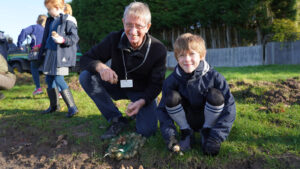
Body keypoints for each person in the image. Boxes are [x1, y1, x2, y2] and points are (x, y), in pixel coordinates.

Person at [79, 2, 167, 139]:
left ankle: (139, 112)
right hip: (117, 84)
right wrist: (100, 67)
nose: (133, 32)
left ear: (148, 27)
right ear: (123, 22)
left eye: (139, 26)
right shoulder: (114, 38)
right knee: (86, 77)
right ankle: (116, 118)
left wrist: (143, 101)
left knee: (147, 131)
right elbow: (85, 59)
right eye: (129, 25)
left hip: (141, 92)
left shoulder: (158, 49)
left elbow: (156, 84)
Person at [156, 33, 236, 156]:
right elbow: (162, 110)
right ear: (177, 58)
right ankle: (186, 132)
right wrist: (170, 136)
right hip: (186, 118)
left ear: (202, 55)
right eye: (182, 55)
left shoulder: (215, 77)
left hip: (208, 117)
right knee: (171, 97)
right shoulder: (171, 80)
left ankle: (207, 132)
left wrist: (216, 137)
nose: (187, 59)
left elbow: (230, 108)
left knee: (216, 95)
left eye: (192, 54)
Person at [38, 0, 79, 117]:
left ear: (57, 7)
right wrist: (41, 52)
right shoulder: (50, 20)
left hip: (61, 54)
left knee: (58, 78)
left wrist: (62, 40)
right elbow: (46, 38)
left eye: (49, 9)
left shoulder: (69, 20)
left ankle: (72, 107)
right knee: (49, 79)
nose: (48, 12)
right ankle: (54, 106)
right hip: (50, 53)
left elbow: (74, 38)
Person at [17, 14, 47, 95]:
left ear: (37, 21)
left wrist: (19, 43)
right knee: (48, 71)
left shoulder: (34, 27)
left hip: (36, 52)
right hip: (46, 52)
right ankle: (55, 89)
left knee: (34, 68)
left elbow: (24, 31)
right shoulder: (48, 29)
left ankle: (38, 88)